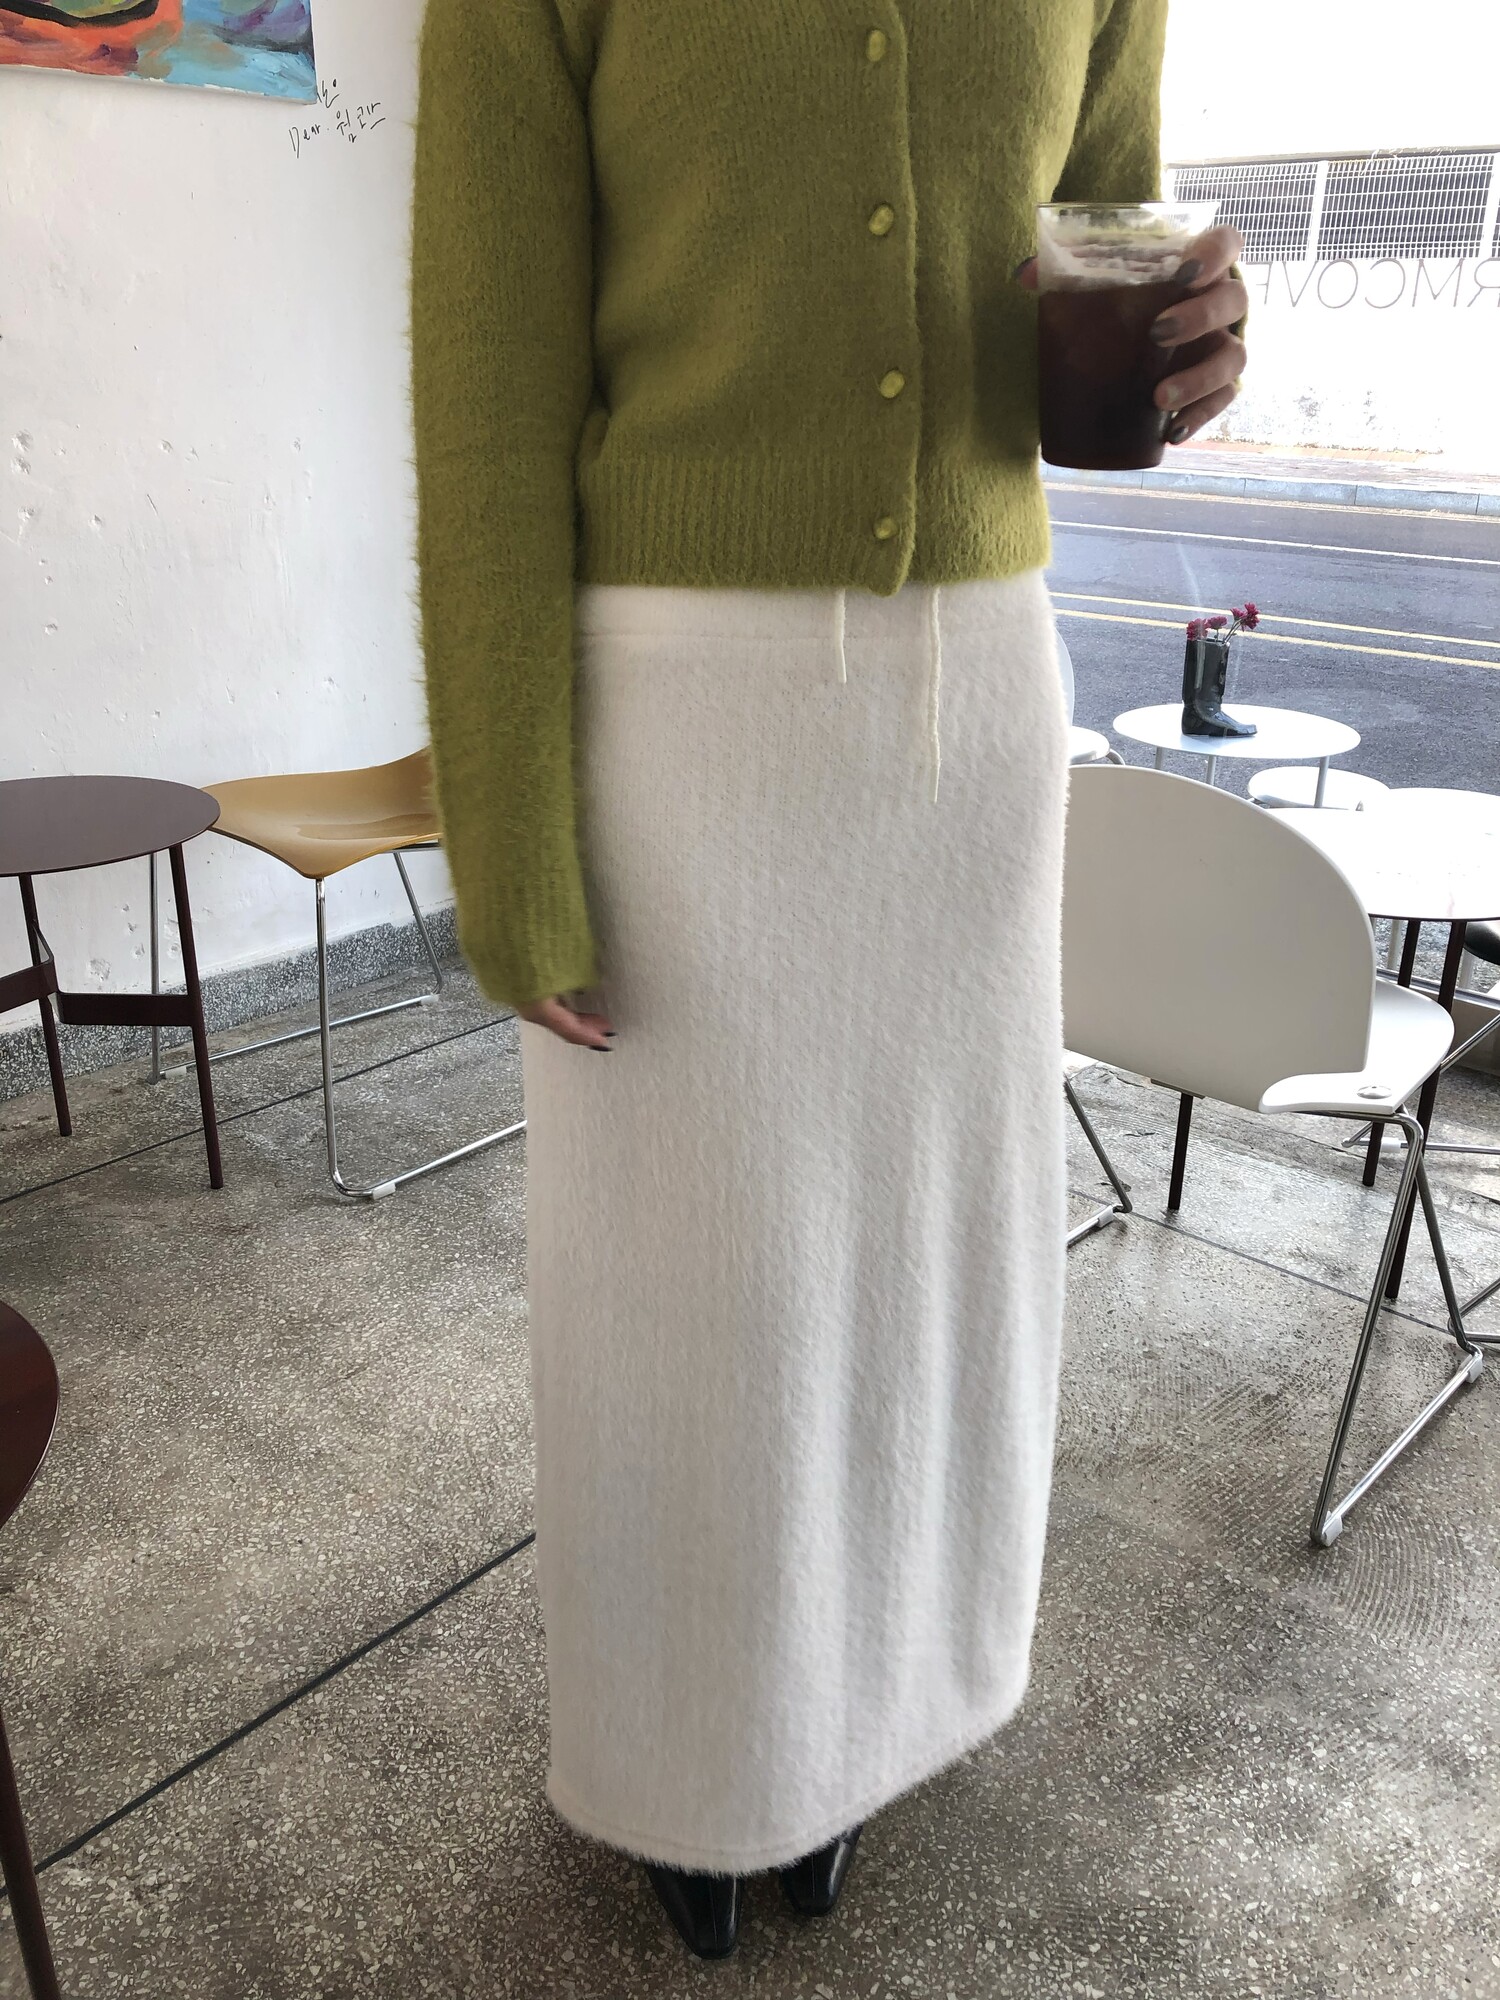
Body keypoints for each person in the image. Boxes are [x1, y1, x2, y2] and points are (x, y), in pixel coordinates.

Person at [410, 0, 1245, 1961]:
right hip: (680, 723)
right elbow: (488, 390)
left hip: (972, 711)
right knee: (687, 1296)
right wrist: (509, 843)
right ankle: (690, 1770)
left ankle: (870, 1721)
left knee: (925, 1264)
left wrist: (1183, 347)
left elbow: (1095, 261)